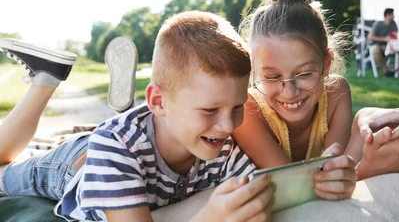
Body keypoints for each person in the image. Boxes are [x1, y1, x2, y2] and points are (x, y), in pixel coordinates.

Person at [0, 11, 277, 221]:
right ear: (158, 100)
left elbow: (265, 190)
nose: (228, 125)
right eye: (210, 110)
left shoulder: (222, 145)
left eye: (237, 107)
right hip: (71, 168)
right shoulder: (113, 148)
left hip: (139, 135)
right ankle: (46, 78)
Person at [233, 0, 399, 181]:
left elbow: (334, 168)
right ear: (252, 72)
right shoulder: (247, 110)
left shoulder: (336, 92)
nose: (289, 92)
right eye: (271, 77)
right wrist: (370, 167)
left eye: (305, 74)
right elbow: (294, 183)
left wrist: (361, 129)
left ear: (326, 64)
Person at [367, 8, 399, 77]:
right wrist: (384, 39)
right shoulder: (378, 24)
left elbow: (396, 35)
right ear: (387, 15)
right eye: (392, 14)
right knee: (377, 48)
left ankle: (396, 70)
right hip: (376, 45)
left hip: (389, 46)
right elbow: (370, 37)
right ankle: (385, 71)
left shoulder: (393, 24)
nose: (394, 16)